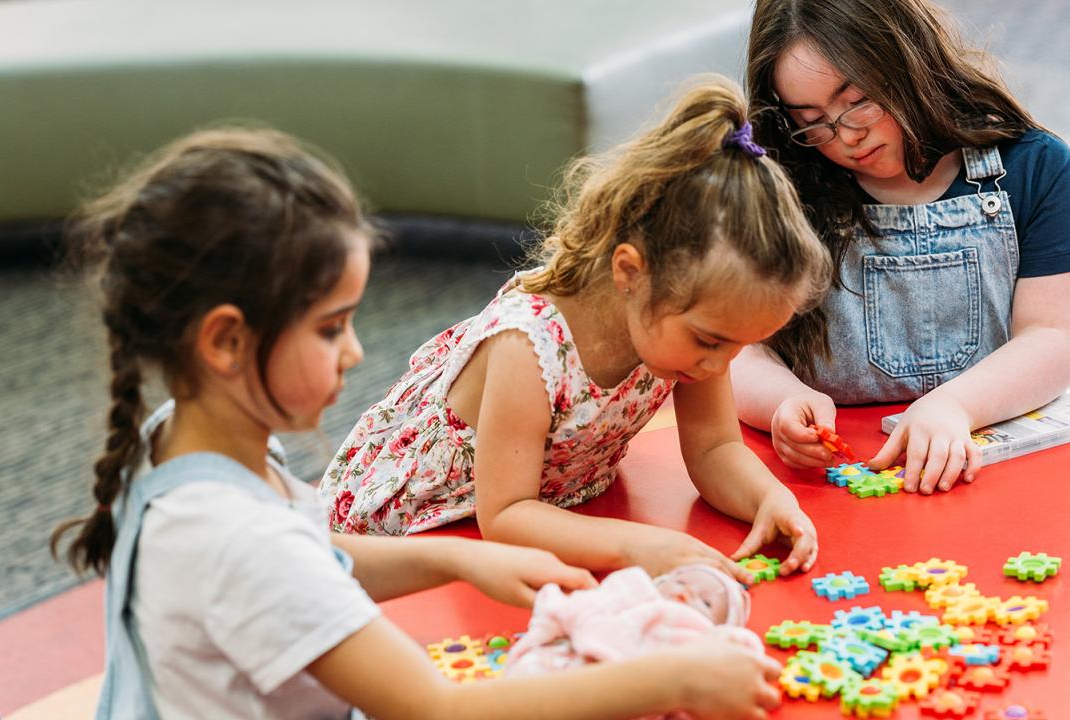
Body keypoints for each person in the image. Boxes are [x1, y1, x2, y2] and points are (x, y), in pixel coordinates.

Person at [49, 127, 784, 719]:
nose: (357, 352)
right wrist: (675, 682)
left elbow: (317, 554)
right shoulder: (238, 543)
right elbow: (436, 709)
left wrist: (457, 560)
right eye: (331, 328)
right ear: (224, 341)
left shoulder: (180, 438)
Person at [320, 76, 833, 582]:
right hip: (418, 532)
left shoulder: (686, 331)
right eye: (711, 341)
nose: (720, 365)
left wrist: (771, 498)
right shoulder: (528, 344)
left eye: (737, 347)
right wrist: (639, 546)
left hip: (540, 515)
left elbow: (714, 449)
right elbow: (506, 514)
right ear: (631, 273)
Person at [735, 0, 1070, 493]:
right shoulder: (779, 183)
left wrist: (955, 405)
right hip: (830, 476)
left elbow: (1051, 337)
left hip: (986, 460)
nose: (846, 136)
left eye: (858, 101)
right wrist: (781, 403)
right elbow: (738, 350)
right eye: (812, 121)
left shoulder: (1034, 166)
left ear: (908, 59)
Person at [506, 564, 764, 683]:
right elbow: (580, 606)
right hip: (554, 671)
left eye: (706, 604)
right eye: (682, 582)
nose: (686, 594)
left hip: (619, 686)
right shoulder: (628, 598)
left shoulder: (693, 635)